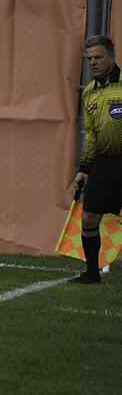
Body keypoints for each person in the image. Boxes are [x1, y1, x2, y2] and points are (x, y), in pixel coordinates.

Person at [71, 35, 122, 284]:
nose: (93, 62)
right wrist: (84, 169)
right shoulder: (89, 92)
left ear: (112, 57)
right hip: (103, 164)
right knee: (89, 217)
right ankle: (92, 274)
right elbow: (90, 134)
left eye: (98, 57)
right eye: (89, 58)